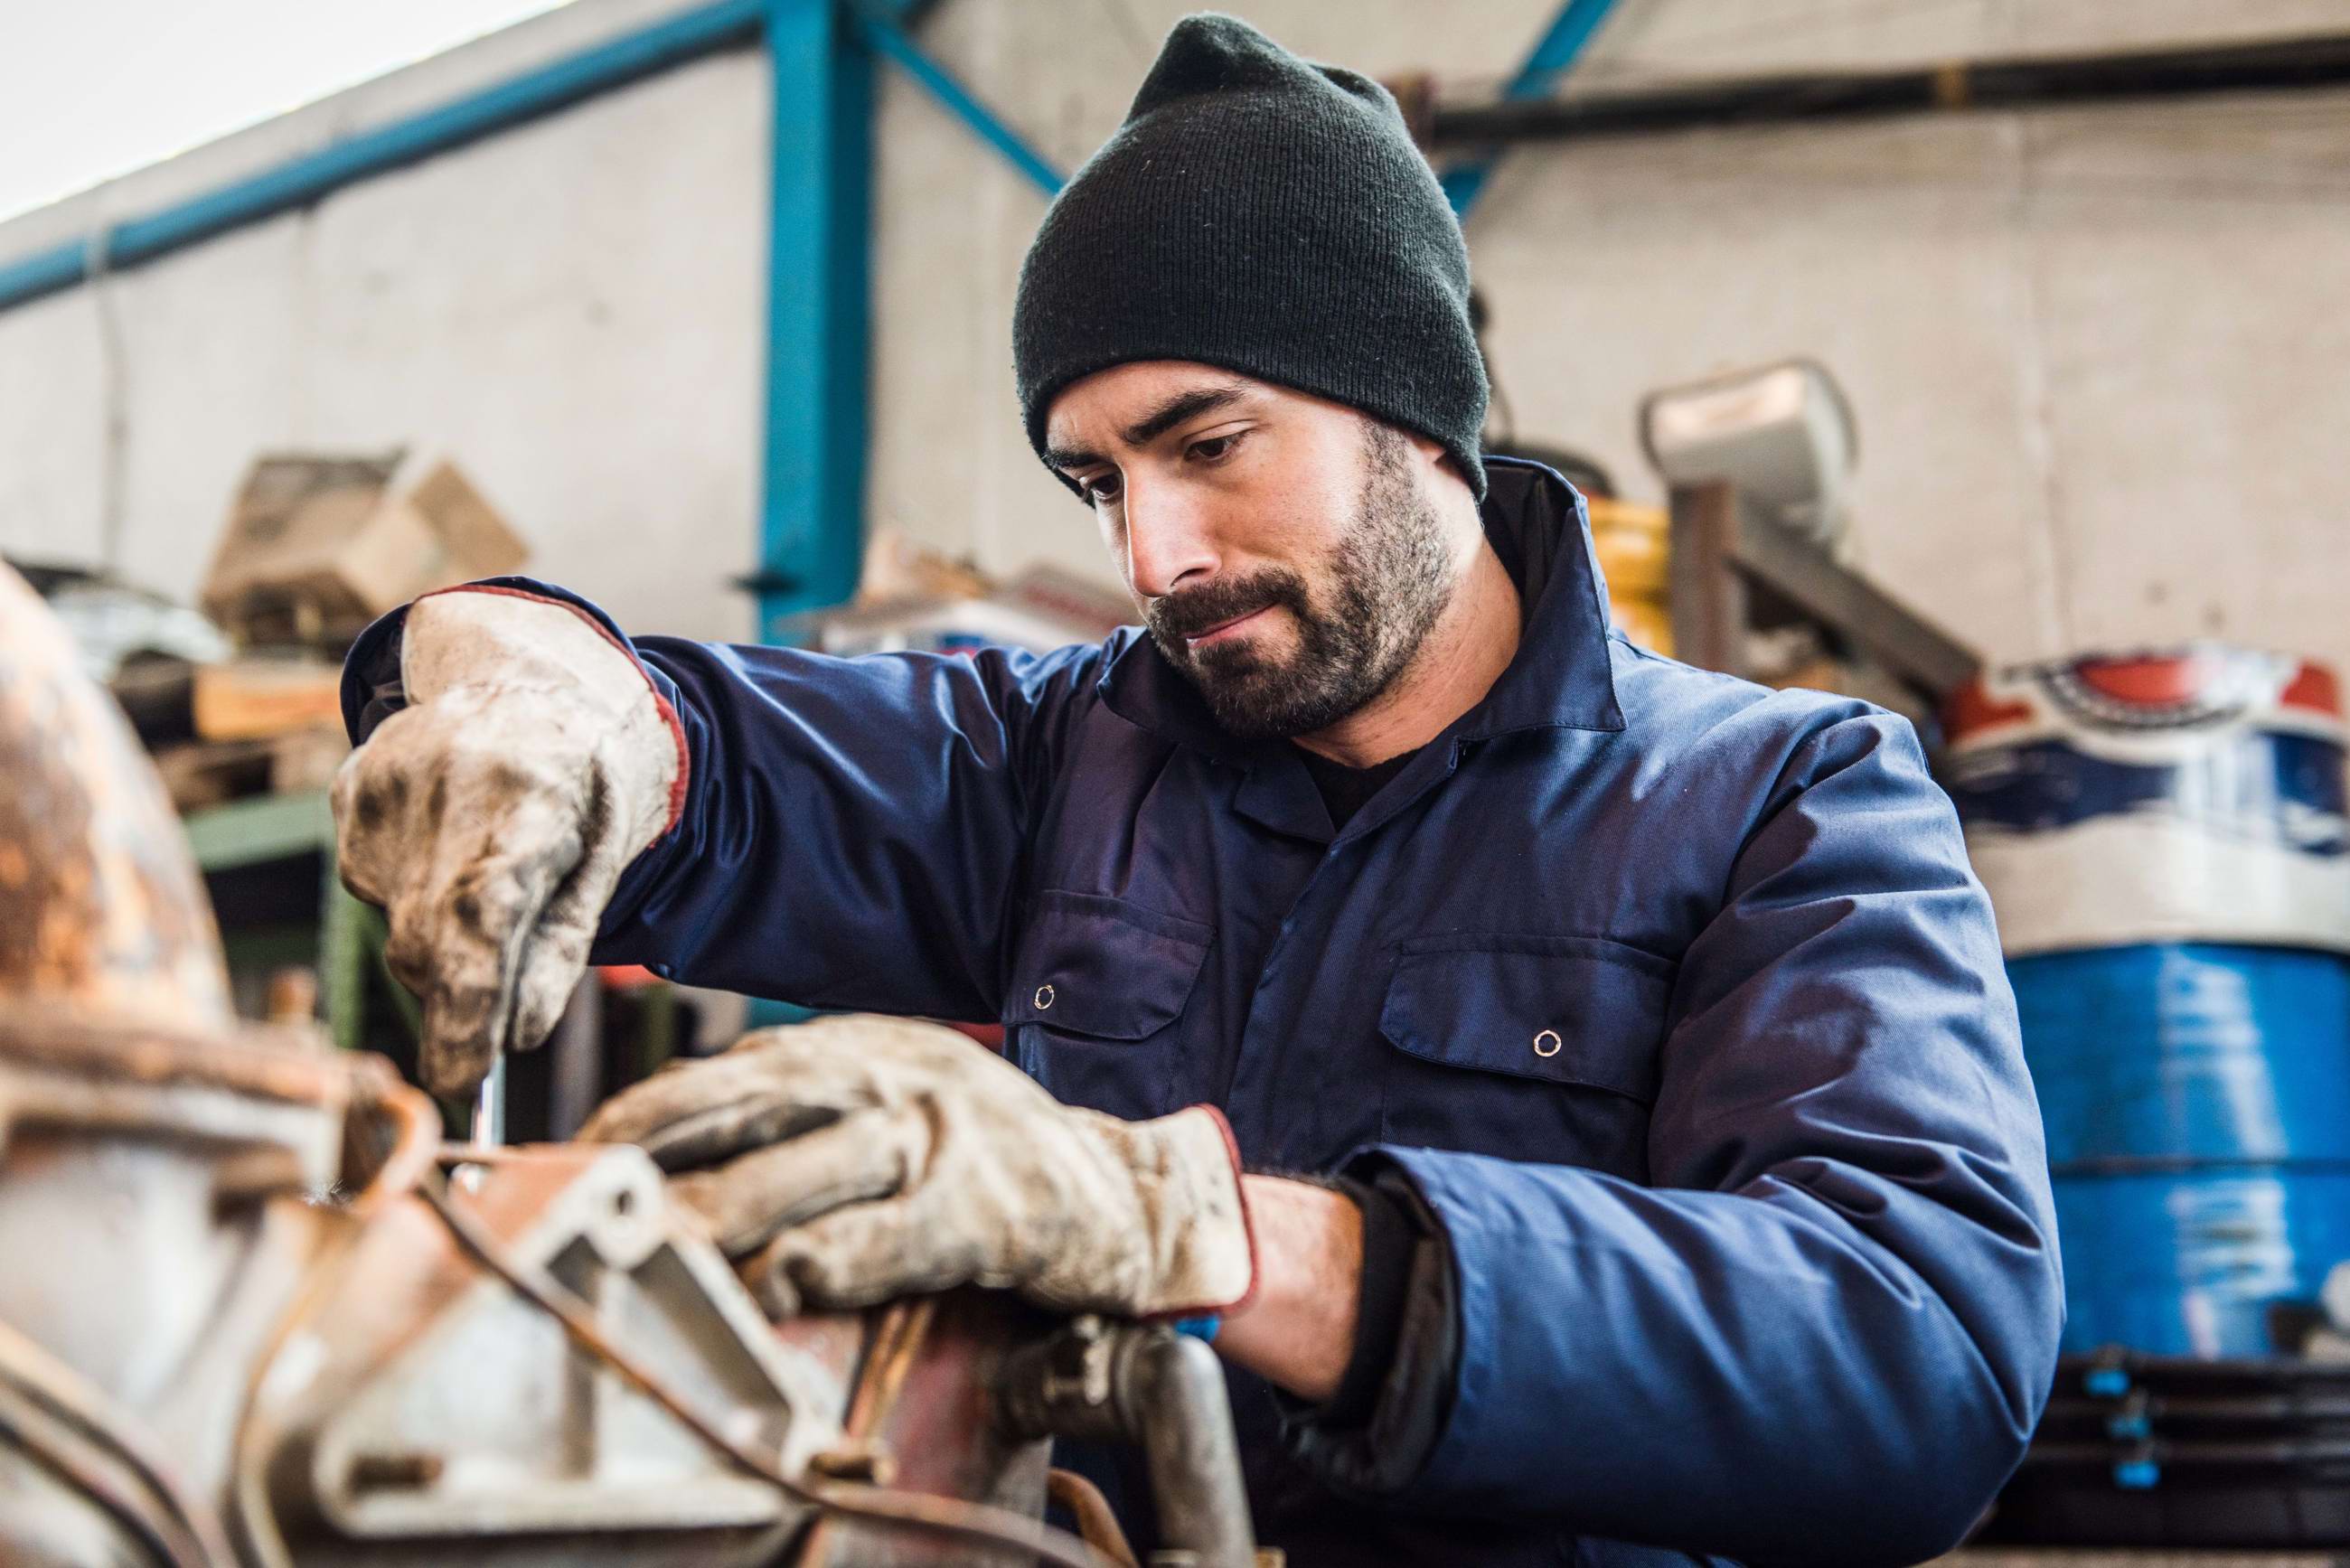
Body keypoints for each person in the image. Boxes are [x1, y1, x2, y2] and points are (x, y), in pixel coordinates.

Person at [332, 14, 2063, 1564]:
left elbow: (1916, 1358)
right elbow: (699, 744)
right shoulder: (1058, 762)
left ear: (1417, 416)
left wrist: (1217, 1241)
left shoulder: (1782, 801)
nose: (1154, 553)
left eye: (1209, 445)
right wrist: (534, 694)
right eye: (1098, 483)